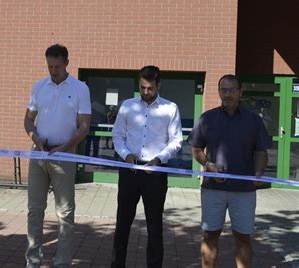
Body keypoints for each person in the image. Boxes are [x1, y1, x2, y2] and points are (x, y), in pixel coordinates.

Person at [189, 74, 270, 268]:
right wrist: (208, 165)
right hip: (213, 189)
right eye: (223, 90)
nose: (228, 94)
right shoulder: (207, 118)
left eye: (232, 89)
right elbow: (196, 150)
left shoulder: (253, 120)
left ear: (240, 92)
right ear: (218, 92)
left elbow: (261, 151)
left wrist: (258, 173)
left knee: (243, 237)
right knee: (210, 235)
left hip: (244, 190)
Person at [24, 44, 91, 268]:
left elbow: (84, 126)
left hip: (65, 155)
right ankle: (33, 260)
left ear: (67, 63)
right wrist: (35, 138)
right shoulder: (39, 86)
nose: (53, 71)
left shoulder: (80, 88)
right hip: (39, 154)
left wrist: (65, 146)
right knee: (34, 210)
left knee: (65, 213)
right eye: (50, 66)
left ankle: (62, 262)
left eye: (57, 66)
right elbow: (28, 119)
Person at [111, 65, 183, 268]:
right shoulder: (127, 106)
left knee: (154, 226)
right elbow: (117, 135)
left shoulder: (170, 108)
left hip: (156, 173)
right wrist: (126, 155)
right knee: (122, 223)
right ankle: (117, 265)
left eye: (150, 88)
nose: (145, 92)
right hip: (129, 170)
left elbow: (176, 141)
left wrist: (159, 159)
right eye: (142, 87)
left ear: (158, 85)